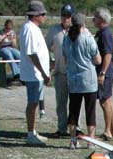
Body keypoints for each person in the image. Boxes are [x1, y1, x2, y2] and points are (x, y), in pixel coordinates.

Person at [63, 12, 100, 147]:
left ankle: (73, 140)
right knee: (90, 111)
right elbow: (97, 59)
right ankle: (91, 140)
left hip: (73, 79)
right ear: (84, 23)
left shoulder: (66, 38)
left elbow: (65, 59)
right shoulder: (88, 38)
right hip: (88, 79)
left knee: (73, 111)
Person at [20, 0, 51, 146]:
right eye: (42, 14)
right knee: (32, 104)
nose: (44, 17)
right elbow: (32, 53)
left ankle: (33, 131)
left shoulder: (34, 28)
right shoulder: (29, 29)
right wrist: (43, 73)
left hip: (37, 74)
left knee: (35, 103)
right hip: (33, 74)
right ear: (35, 15)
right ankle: (30, 133)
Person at [46, 4, 73, 138]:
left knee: (75, 102)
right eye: (63, 15)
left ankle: (76, 127)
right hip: (60, 71)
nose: (65, 18)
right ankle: (62, 128)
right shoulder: (54, 30)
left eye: (68, 16)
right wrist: (50, 61)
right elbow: (45, 47)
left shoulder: (77, 30)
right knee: (61, 103)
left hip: (74, 73)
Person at [94, 7, 113, 140]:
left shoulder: (105, 34)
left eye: (96, 17)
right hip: (106, 71)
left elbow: (107, 55)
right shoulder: (101, 33)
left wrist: (102, 72)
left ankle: (107, 131)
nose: (93, 19)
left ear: (102, 20)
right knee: (108, 100)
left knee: (104, 102)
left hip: (105, 72)